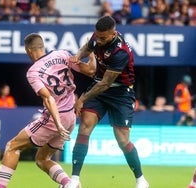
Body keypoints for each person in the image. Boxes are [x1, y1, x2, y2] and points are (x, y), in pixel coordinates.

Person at [0, 33, 95, 188]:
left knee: (12, 146)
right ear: (42, 46)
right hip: (70, 117)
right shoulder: (61, 54)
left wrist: (57, 124)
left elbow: (49, 99)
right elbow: (90, 71)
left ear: (28, 50)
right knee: (42, 159)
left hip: (56, 118)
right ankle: (68, 184)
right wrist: (92, 52)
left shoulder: (33, 72)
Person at [67, 16, 149, 188]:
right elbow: (87, 47)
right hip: (99, 88)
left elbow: (106, 83)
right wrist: (78, 56)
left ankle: (141, 180)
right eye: (97, 36)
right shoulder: (97, 37)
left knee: (122, 140)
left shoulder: (121, 52)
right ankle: (74, 180)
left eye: (103, 37)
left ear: (113, 34)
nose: (99, 40)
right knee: (85, 126)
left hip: (120, 93)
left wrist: (81, 98)